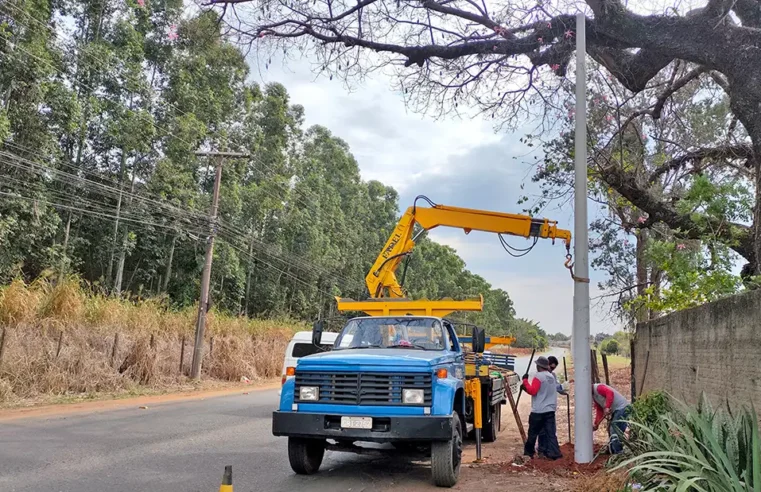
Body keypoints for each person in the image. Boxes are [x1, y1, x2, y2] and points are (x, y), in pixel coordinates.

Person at [521, 356, 562, 460]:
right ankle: (554, 454)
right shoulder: (551, 376)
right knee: (551, 433)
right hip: (550, 410)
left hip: (538, 411)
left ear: (538, 366)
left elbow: (532, 391)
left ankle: (529, 453)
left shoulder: (538, 376)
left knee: (533, 434)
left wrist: (525, 381)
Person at [537, 356, 569, 456]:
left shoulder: (553, 376)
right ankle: (542, 450)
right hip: (541, 407)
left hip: (550, 407)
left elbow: (558, 388)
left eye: (553, 368)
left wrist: (565, 389)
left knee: (551, 430)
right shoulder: (540, 376)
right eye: (550, 367)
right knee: (542, 430)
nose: (551, 370)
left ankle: (550, 450)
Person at [592, 383, 631, 454]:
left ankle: (619, 453)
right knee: (613, 430)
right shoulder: (594, 396)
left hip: (622, 408)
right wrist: (596, 423)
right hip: (617, 410)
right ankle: (613, 450)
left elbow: (610, 393)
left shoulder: (598, 388)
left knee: (614, 430)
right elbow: (599, 409)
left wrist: (607, 407)